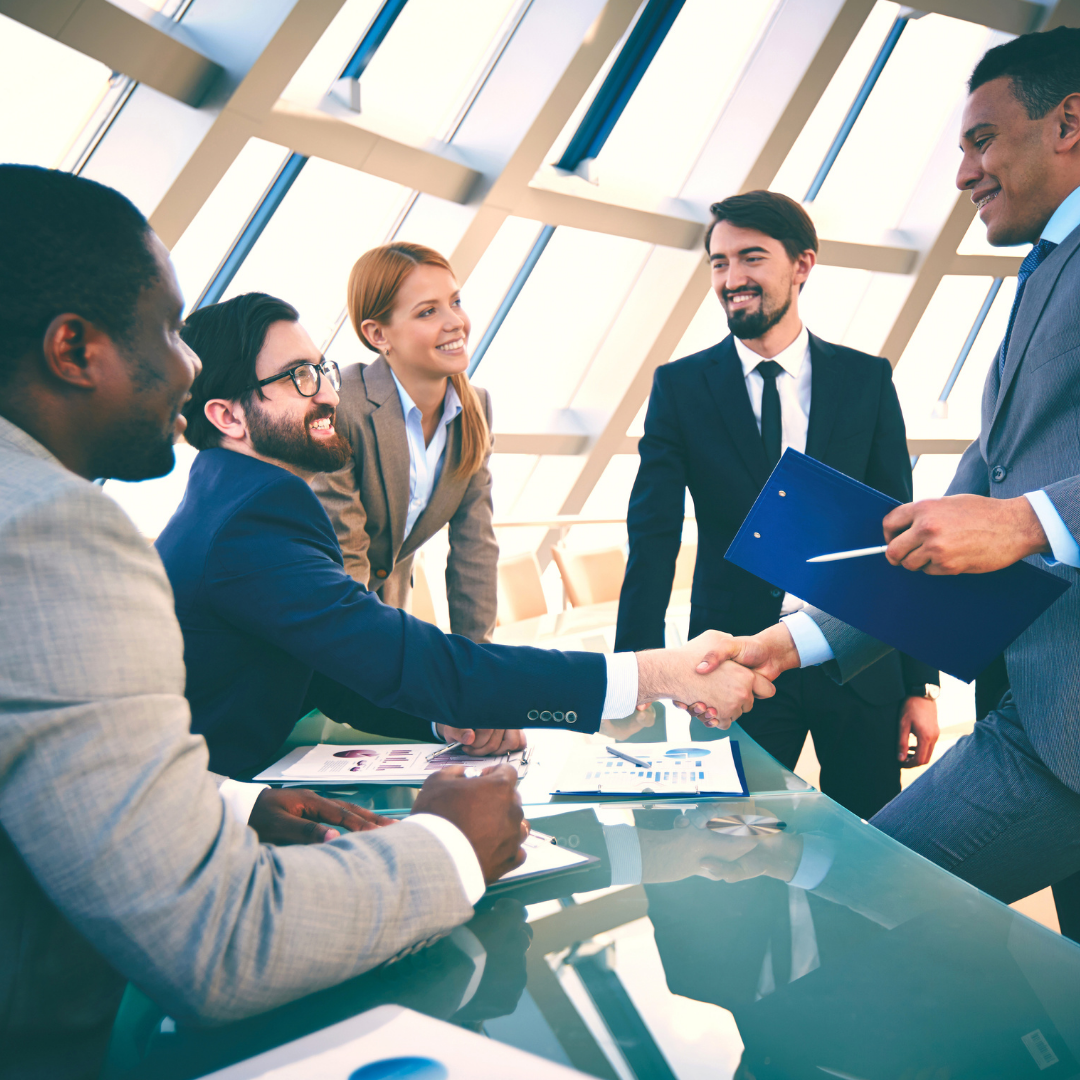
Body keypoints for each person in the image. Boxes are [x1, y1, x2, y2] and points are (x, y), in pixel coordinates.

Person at [0, 164, 536, 1080]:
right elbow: (216, 942)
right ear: (73, 349)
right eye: (167, 329)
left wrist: (237, 802)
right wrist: (448, 846)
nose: (186, 360)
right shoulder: (53, 530)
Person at [714, 28, 1080, 940]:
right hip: (1041, 723)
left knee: (856, 911)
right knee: (862, 910)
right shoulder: (1044, 274)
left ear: (1070, 122)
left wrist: (1031, 524)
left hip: (1051, 736)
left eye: (983, 140)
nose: (963, 173)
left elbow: (1008, 514)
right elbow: (944, 519)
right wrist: (794, 641)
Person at [155, 292, 776, 778]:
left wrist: (444, 720)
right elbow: (404, 658)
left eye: (322, 369)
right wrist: (656, 674)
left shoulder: (239, 500)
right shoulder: (252, 522)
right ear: (227, 415)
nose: (327, 393)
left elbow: (331, 671)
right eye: (298, 378)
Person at [615, 190, 939, 819]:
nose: (731, 279)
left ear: (802, 264)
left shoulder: (865, 380)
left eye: (751, 258)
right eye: (718, 262)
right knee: (728, 847)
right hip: (732, 662)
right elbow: (651, 536)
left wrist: (916, 683)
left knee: (872, 859)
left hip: (858, 659)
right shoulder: (679, 387)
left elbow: (901, 532)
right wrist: (639, 677)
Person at [312, 243, 497, 644]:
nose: (455, 323)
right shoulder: (344, 406)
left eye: (455, 302)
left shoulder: (474, 408)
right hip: (323, 626)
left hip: (387, 618)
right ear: (378, 334)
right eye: (428, 311)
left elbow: (475, 549)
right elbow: (347, 556)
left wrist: (480, 666)